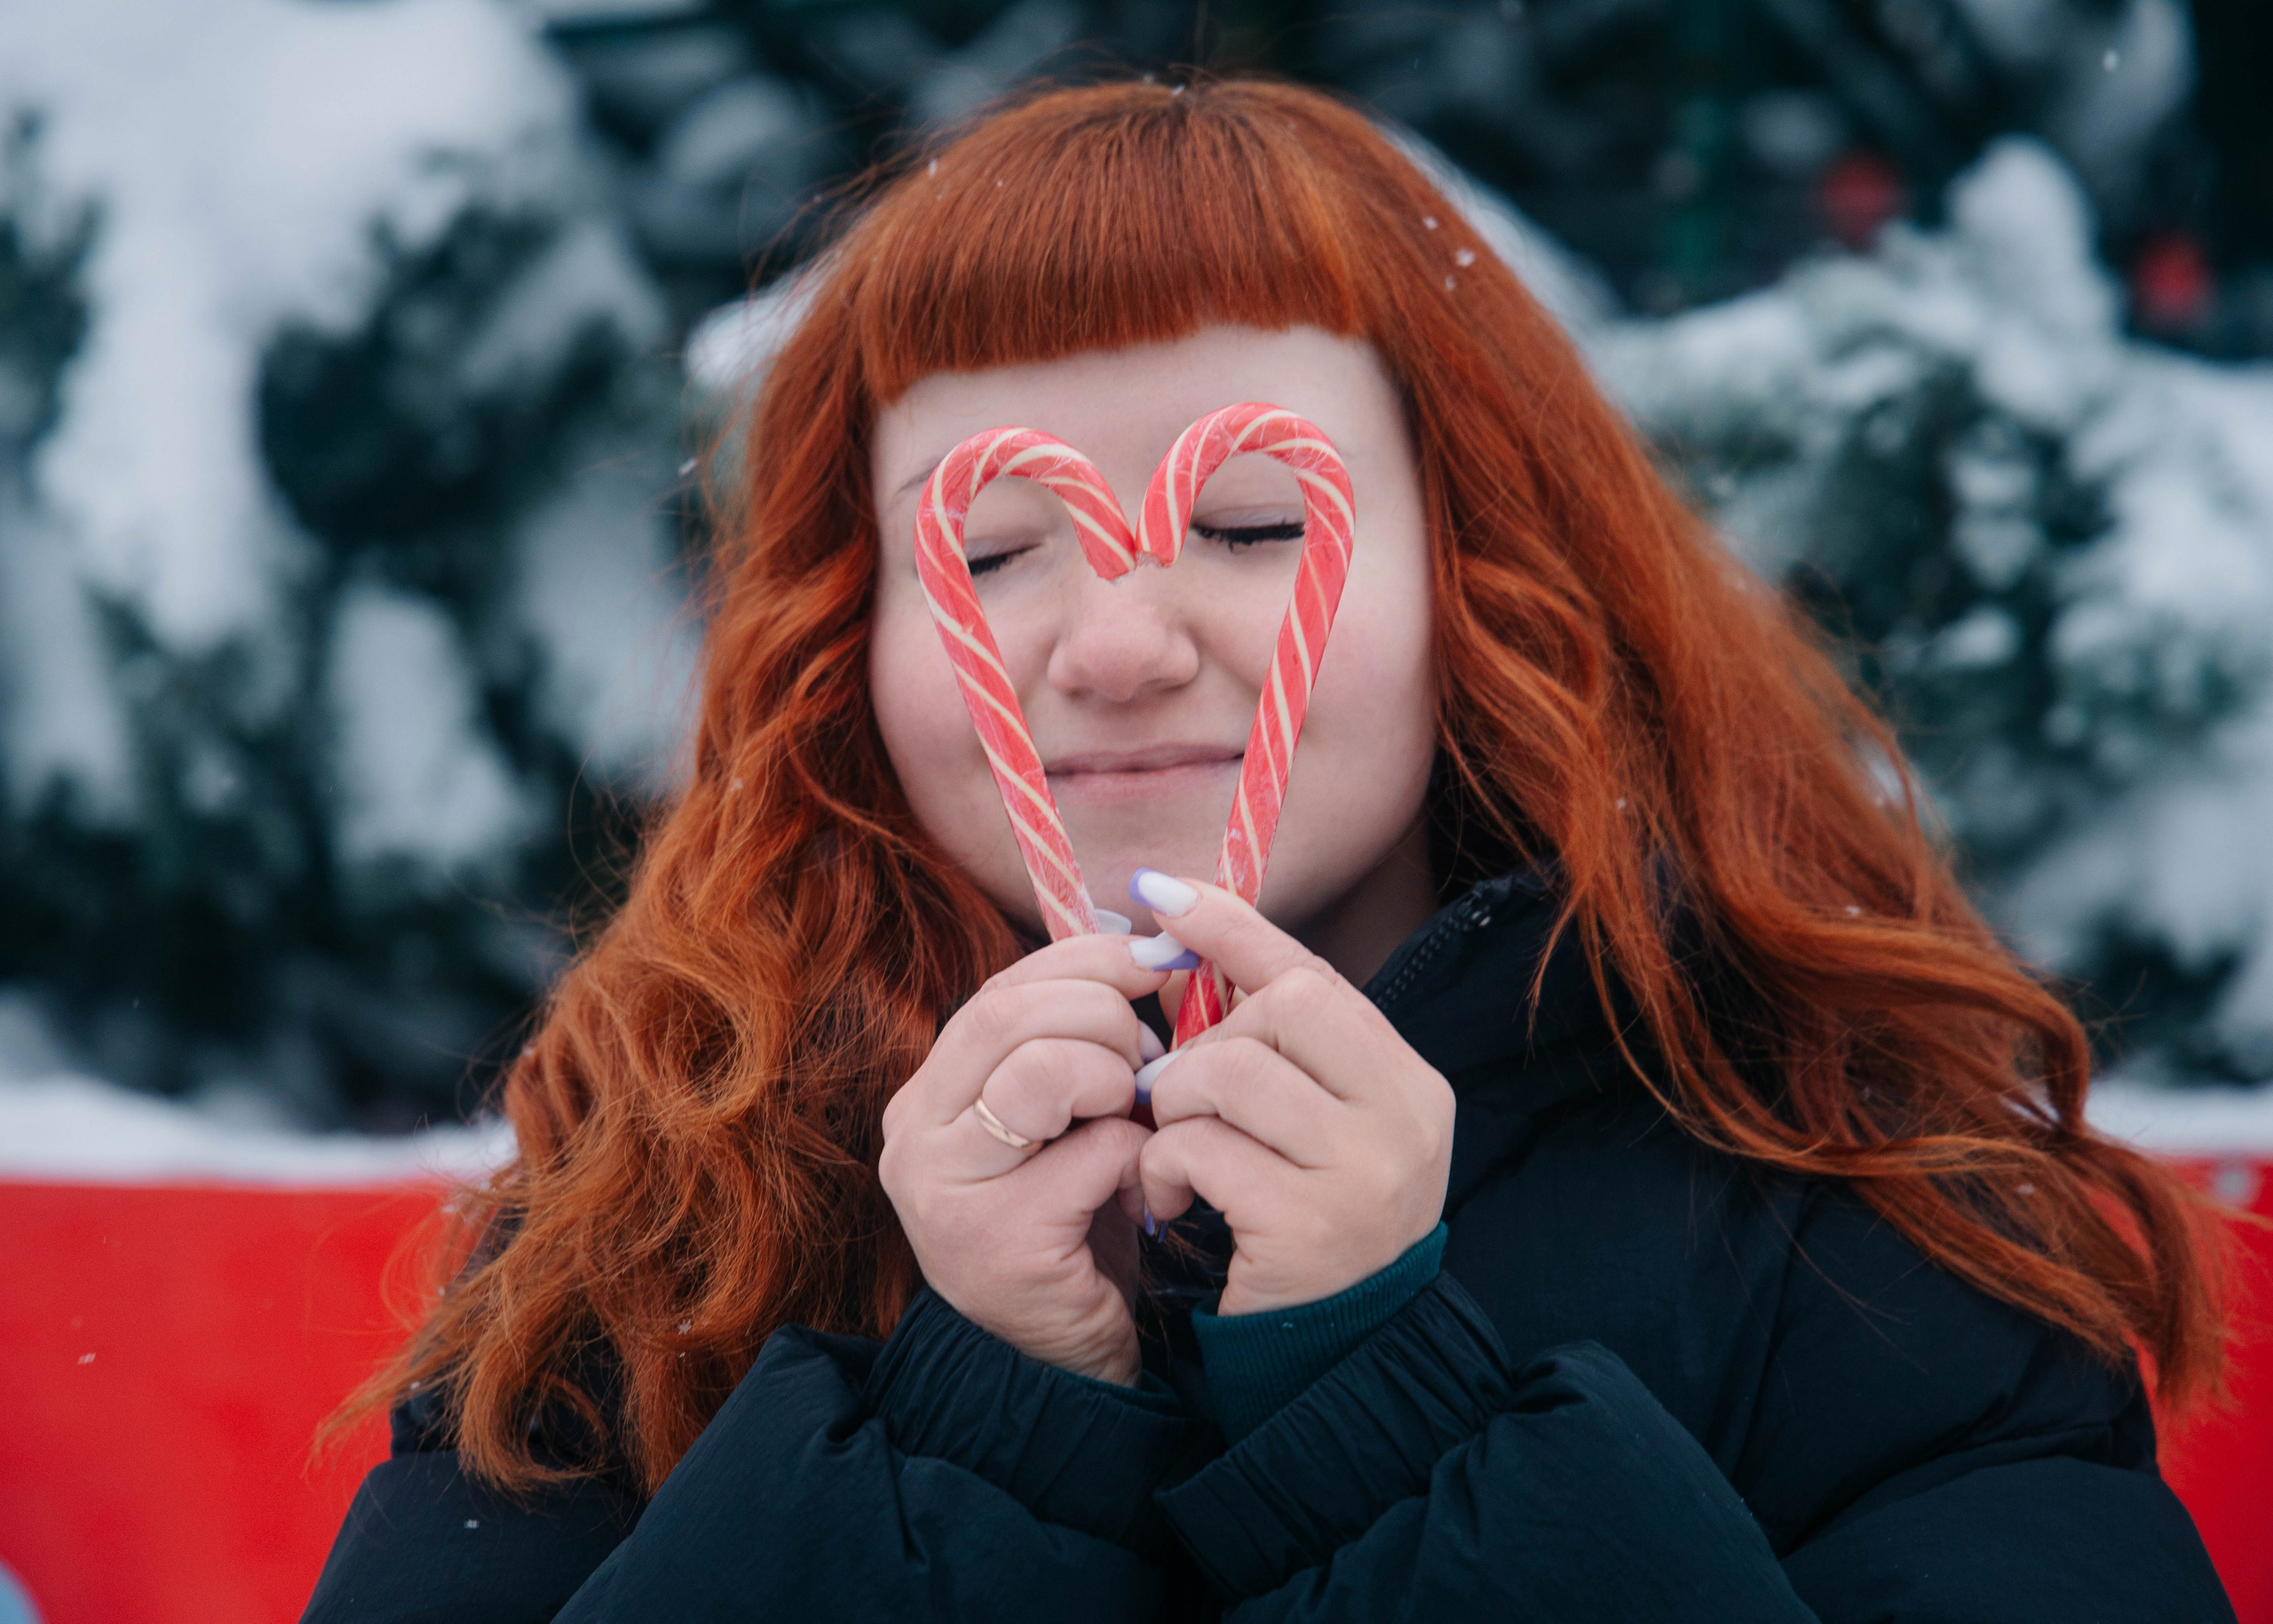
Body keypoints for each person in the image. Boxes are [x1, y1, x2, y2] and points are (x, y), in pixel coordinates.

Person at [303, 78, 2234, 1623]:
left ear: (1491, 578)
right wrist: (968, 1425)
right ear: (844, 640)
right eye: (990, 553)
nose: (1118, 645)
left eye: (1245, 527)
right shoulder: (661, 1210)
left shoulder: (1845, 1195)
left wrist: (1386, 1400)